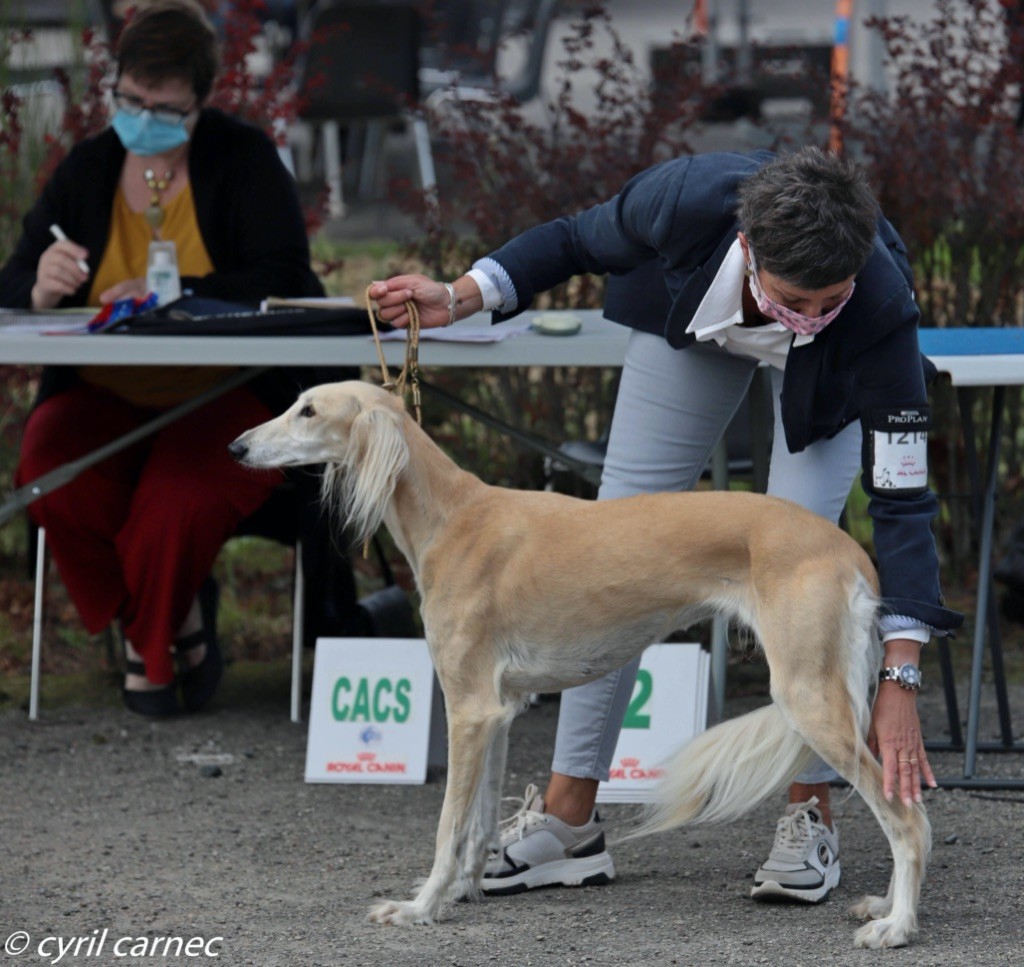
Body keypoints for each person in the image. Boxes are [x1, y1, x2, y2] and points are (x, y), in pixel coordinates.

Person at [368, 146, 963, 904]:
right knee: (601, 552)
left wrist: (901, 670)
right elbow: (575, 239)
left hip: (833, 379)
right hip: (693, 329)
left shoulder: (879, 307)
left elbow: (902, 500)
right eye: (796, 299)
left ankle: (808, 812)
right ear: (749, 250)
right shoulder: (684, 201)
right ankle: (568, 821)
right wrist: (458, 296)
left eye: (830, 299)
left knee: (801, 557)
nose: (810, 318)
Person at [0, 0, 325, 717]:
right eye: (130, 101)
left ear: (202, 100)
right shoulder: (89, 168)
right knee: (49, 469)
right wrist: (40, 286)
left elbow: (286, 278)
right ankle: (177, 626)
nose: (143, 118)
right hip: (103, 393)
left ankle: (148, 659)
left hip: (226, 391)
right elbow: (14, 281)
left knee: (177, 500)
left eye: (165, 108)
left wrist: (181, 294)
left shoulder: (243, 159)